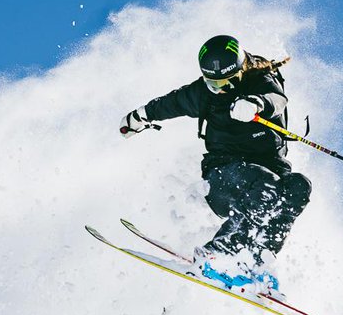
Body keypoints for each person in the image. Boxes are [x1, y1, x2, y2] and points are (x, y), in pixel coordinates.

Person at [119, 34, 311, 290]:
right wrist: (138, 116)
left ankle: (258, 260)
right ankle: (219, 253)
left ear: (241, 70)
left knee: (298, 186)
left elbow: (277, 99)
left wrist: (256, 103)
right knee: (266, 185)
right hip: (223, 176)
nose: (219, 89)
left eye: (226, 82)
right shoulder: (204, 94)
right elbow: (171, 102)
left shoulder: (260, 80)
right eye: (213, 83)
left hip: (267, 174)